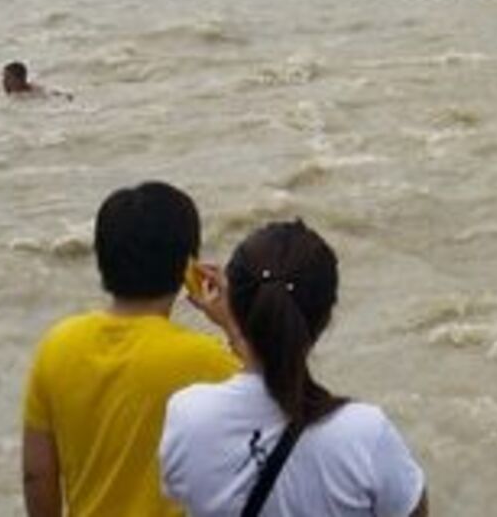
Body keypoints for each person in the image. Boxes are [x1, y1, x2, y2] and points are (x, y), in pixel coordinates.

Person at [160, 220, 428, 517]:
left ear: (237, 305)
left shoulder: (188, 416)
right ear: (326, 317)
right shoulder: (365, 434)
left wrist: (234, 325)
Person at [22, 183, 240, 517]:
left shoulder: (57, 346)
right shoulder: (209, 361)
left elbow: (37, 474)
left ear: (101, 257)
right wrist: (233, 325)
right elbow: (280, 414)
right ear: (187, 267)